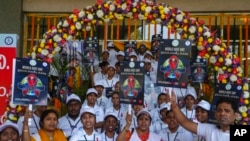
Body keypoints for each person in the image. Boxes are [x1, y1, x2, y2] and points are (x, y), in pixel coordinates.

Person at [169, 91, 238, 141]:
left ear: (235, 115)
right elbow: (184, 122)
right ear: (215, 114)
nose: (222, 113)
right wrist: (174, 105)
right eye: (219, 110)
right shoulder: (209, 129)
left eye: (227, 111)